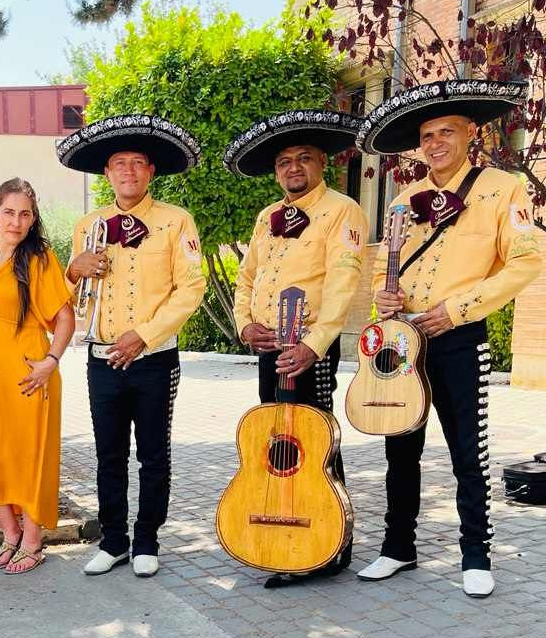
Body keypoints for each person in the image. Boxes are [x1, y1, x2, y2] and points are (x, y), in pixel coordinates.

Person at [354, 80, 541, 598]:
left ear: (470, 134)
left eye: (446, 132)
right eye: (427, 135)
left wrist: (457, 310)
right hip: (403, 343)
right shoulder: (406, 199)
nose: (435, 143)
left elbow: (527, 260)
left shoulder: (502, 189)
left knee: (467, 452)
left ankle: (476, 555)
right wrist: (383, 298)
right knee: (400, 449)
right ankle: (397, 547)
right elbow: (381, 271)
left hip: (459, 337)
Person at [57, 114, 207, 578]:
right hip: (100, 357)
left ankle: (147, 540)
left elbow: (191, 288)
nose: (128, 171)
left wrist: (143, 333)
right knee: (108, 454)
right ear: (107, 173)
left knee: (154, 453)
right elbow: (70, 293)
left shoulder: (175, 221)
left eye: (137, 163)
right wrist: (74, 268)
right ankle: (114, 540)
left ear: (150, 172)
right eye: (119, 164)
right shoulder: (88, 223)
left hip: (153, 358)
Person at [224, 109, 369, 587]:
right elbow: (247, 279)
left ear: (322, 163)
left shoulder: (341, 211)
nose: (293, 168)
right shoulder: (267, 217)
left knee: (318, 445)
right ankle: (285, 538)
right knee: (276, 446)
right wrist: (245, 325)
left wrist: (312, 344)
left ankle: (331, 546)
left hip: (310, 348)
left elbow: (344, 284)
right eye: (284, 161)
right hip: (269, 347)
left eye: (303, 158)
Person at [0, 178, 75, 574]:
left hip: (29, 371)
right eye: (8, 211)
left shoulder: (40, 258)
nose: (16, 220)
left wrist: (51, 361)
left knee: (28, 459)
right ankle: (9, 533)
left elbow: (64, 317)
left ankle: (32, 540)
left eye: (24, 213)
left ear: (32, 219)